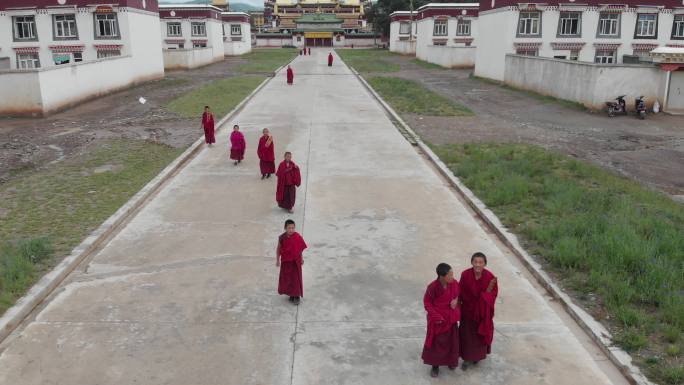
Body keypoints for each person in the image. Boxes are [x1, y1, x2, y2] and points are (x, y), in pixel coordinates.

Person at [459, 252, 498, 370]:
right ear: (471, 262)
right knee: (467, 336)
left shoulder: (490, 277)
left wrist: (484, 299)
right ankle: (466, 358)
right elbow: (460, 290)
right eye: (475, 262)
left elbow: (493, 294)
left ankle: (477, 356)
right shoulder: (465, 274)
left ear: (485, 264)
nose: (477, 265)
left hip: (482, 313)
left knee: (479, 335)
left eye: (480, 262)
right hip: (467, 311)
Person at [422, 263, 461, 378]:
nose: (452, 277)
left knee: (451, 342)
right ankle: (435, 366)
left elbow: (460, 293)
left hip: (450, 318)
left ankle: (450, 361)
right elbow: (427, 303)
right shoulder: (432, 287)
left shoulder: (454, 283)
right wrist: (436, 317)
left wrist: (456, 300)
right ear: (441, 276)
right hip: (438, 320)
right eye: (450, 275)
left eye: (452, 274)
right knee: (437, 344)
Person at [276, 219, 307, 305]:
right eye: (289, 228)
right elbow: (278, 249)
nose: (291, 230)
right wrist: (277, 260)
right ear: (285, 228)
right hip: (286, 262)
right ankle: (291, 294)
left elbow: (300, 249)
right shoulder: (281, 238)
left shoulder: (297, 236)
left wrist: (301, 258)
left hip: (295, 262)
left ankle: (296, 296)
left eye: (293, 228)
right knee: (288, 279)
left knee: (296, 279)